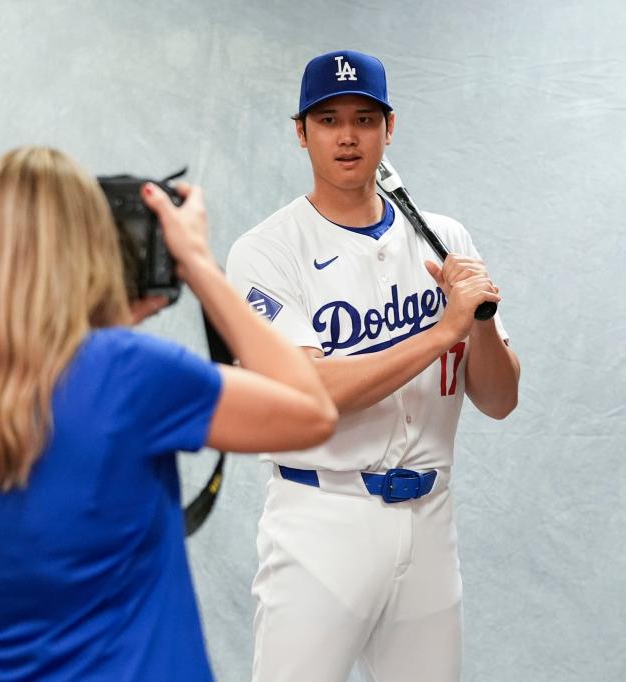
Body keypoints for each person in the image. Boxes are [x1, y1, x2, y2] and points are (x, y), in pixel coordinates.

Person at [0, 146, 338, 681]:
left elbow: (65, 401)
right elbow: (314, 410)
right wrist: (199, 265)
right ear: (85, 246)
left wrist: (116, 314)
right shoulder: (131, 372)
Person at [226, 50, 521, 682]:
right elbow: (312, 389)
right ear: (300, 133)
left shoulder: (445, 239)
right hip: (321, 522)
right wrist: (445, 330)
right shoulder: (266, 252)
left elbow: (499, 400)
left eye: (365, 117)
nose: (348, 135)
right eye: (328, 119)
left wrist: (482, 322)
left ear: (390, 129)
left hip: (430, 521)